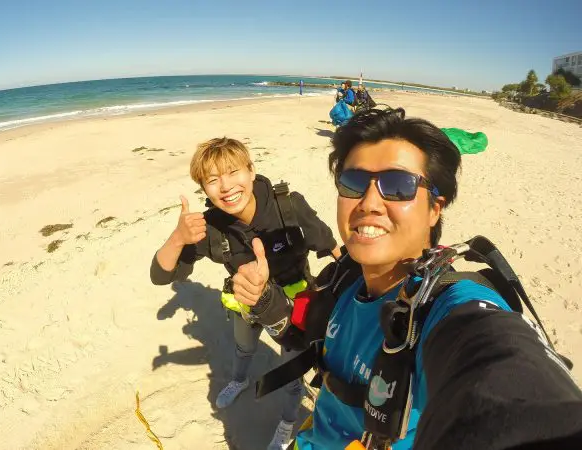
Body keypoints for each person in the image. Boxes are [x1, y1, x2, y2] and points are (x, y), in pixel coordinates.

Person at [229, 108, 582, 449]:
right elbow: (299, 332)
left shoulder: (441, 304)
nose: (369, 202)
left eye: (398, 185)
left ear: (435, 209)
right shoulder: (342, 278)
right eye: (353, 182)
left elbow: (499, 357)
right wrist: (262, 299)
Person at [150, 137, 341, 449]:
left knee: (294, 376)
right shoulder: (210, 228)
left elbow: (330, 245)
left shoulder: (289, 207)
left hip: (293, 310)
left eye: (233, 172)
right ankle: (239, 380)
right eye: (212, 180)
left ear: (251, 171)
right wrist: (177, 237)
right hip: (246, 304)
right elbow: (161, 276)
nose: (225, 187)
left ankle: (288, 422)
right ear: (204, 188)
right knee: (243, 348)